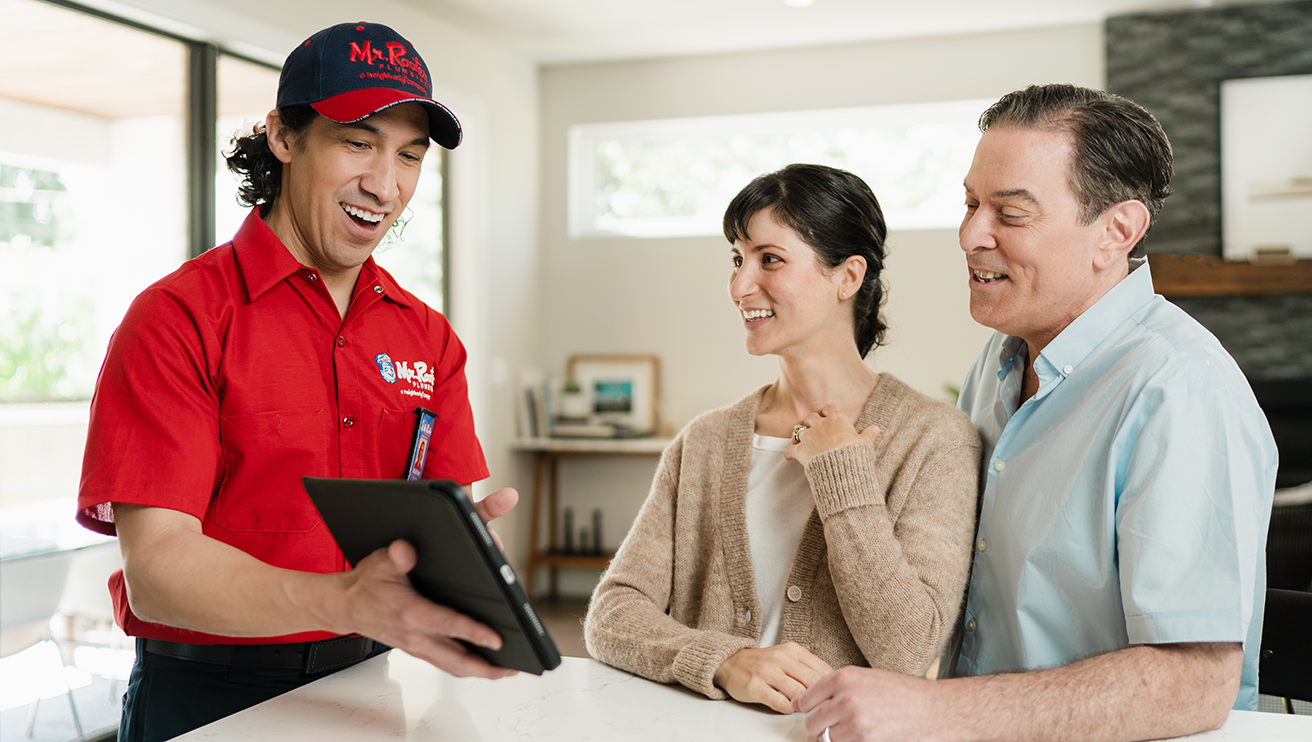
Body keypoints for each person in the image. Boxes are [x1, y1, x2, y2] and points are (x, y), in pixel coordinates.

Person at [76, 22, 519, 742]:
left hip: (376, 681)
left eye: (410, 155)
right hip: (207, 695)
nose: (386, 183)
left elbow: (434, 540)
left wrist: (460, 574)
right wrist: (344, 599)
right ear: (285, 137)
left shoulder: (430, 340)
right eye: (358, 142)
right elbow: (157, 568)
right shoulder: (177, 317)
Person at [795, 84, 1278, 742]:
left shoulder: (1180, 389)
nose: (970, 235)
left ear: (1116, 232)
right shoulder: (998, 362)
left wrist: (935, 709)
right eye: (969, 204)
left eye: (1010, 214)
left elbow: (1193, 684)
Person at [583, 163, 982, 715]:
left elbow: (907, 651)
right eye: (737, 259)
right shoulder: (704, 441)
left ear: (847, 277)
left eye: (770, 258)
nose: (742, 285)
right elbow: (613, 614)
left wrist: (843, 478)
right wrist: (725, 660)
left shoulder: (934, 439)